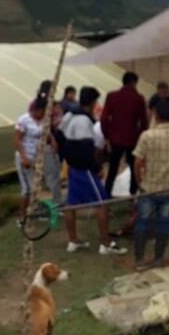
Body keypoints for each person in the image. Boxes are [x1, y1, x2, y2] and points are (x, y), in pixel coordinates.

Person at [59, 87, 127, 255]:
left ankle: (73, 241)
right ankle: (105, 244)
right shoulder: (84, 121)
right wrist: (96, 168)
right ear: (92, 102)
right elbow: (86, 149)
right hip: (84, 168)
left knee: (71, 204)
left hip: (72, 166)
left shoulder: (68, 115)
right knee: (102, 203)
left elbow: (60, 136)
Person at [132, 98, 169, 270]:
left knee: (142, 222)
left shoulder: (147, 136)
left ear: (155, 114)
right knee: (163, 222)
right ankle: (159, 259)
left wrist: (139, 181)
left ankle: (139, 260)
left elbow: (137, 162)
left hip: (149, 186)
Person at [101, 71, 149, 196]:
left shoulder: (112, 96)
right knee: (133, 167)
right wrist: (141, 135)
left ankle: (107, 193)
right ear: (134, 83)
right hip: (132, 138)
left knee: (112, 168)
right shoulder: (139, 99)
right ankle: (132, 194)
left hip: (115, 137)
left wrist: (107, 136)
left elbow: (104, 118)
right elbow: (143, 121)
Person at [14, 98, 57, 225]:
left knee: (36, 186)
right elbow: (17, 140)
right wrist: (24, 157)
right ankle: (22, 217)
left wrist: (53, 142)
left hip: (37, 157)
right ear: (37, 110)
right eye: (43, 111)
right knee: (27, 189)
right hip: (25, 157)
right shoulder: (24, 120)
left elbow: (47, 134)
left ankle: (33, 212)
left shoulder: (45, 120)